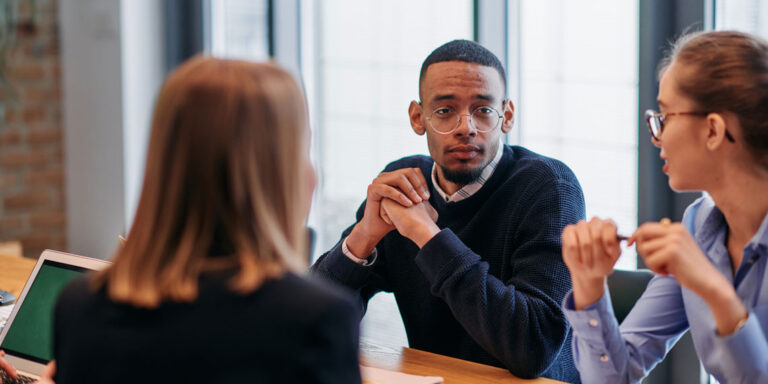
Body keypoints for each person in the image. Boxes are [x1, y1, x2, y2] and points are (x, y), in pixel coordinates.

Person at [49, 57, 362, 383]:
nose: (314, 173)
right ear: (272, 175)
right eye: (302, 150)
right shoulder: (316, 321)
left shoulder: (78, 306)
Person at [312, 39, 585, 382]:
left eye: (483, 110)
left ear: (507, 116)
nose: (465, 126)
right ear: (417, 117)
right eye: (445, 111)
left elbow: (533, 348)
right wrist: (363, 237)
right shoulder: (404, 187)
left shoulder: (549, 187)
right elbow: (305, 321)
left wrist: (428, 236)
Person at [561, 30, 768, 383]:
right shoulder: (697, 224)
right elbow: (615, 377)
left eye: (666, 116)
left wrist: (715, 291)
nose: (656, 135)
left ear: (713, 130)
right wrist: (589, 284)